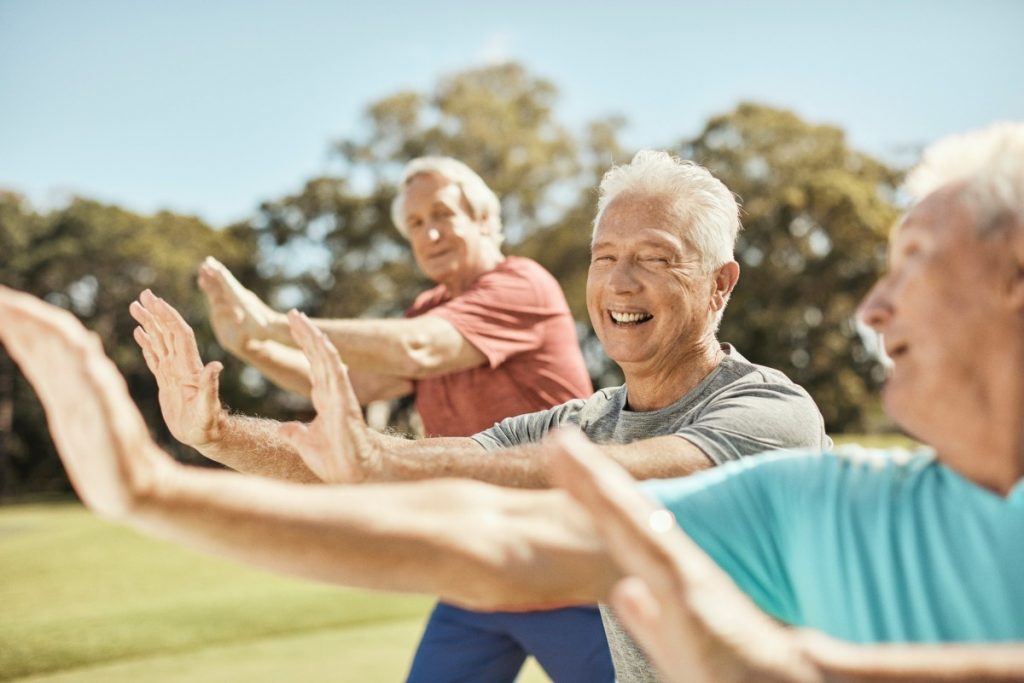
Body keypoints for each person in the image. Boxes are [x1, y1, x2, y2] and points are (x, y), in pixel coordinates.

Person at [129, 151, 829, 679]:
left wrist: (369, 446)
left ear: (719, 284)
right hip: (489, 571)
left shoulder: (770, 413)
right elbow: (375, 451)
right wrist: (216, 431)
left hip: (550, 578)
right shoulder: (579, 421)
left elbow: (641, 478)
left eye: (656, 258)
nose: (620, 280)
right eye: (605, 256)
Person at [183, 156, 604, 682]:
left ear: (481, 218)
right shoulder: (428, 306)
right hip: (473, 562)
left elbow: (418, 351)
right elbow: (355, 386)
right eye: (415, 224)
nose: (428, 232)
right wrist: (249, 345)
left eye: (442, 214)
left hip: (564, 561)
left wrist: (272, 323)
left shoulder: (522, 284)